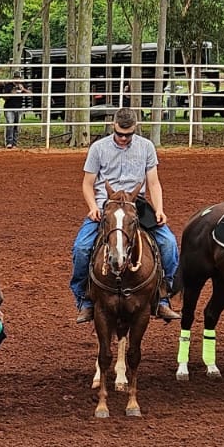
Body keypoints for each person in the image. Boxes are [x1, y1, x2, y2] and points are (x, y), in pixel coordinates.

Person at [70, 107, 180, 324]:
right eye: (120, 133)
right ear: (114, 127)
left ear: (135, 129)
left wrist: (159, 209)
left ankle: (163, 296)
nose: (123, 138)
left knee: (169, 244)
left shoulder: (146, 147)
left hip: (135, 204)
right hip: (107, 206)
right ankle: (84, 299)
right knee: (81, 248)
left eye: (128, 135)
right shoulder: (98, 148)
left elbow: (154, 182)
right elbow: (87, 183)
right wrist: (93, 207)